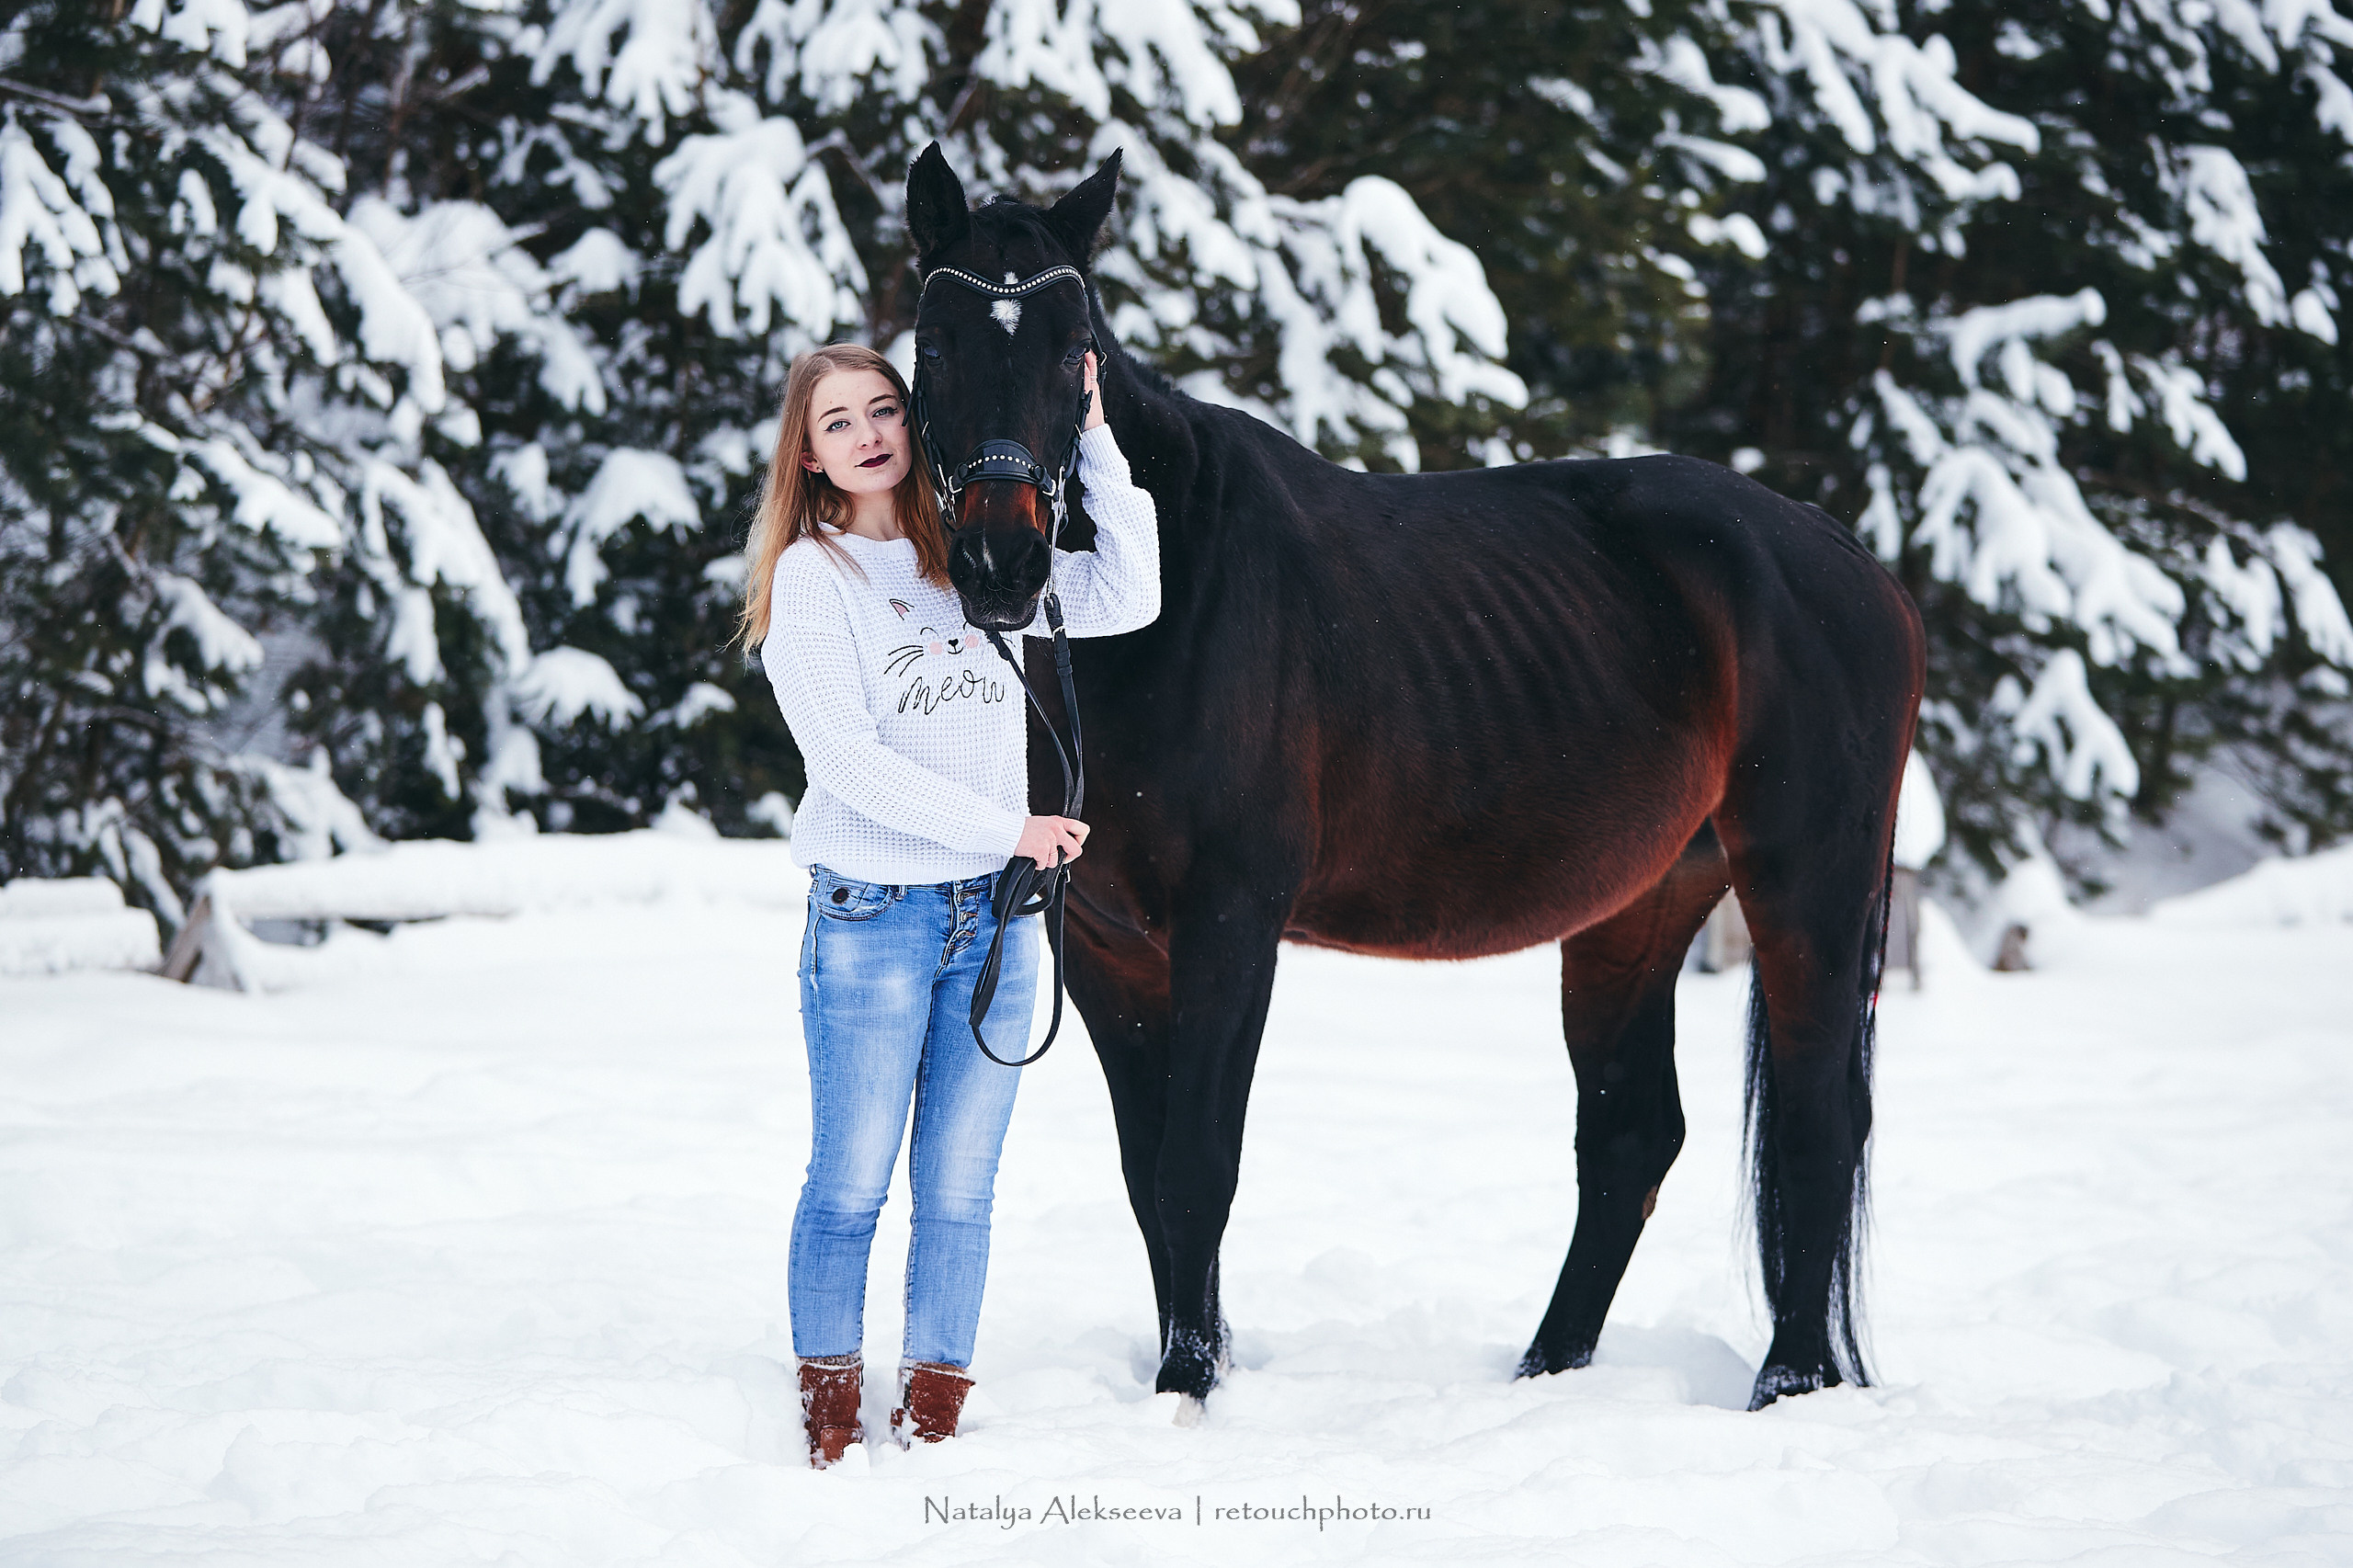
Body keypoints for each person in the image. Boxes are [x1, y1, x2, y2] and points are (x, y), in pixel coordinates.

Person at [738, 342, 1159, 1468]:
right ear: (809, 453)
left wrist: (1096, 432)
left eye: (883, 409)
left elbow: (1131, 590)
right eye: (838, 421)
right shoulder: (812, 581)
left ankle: (934, 1410)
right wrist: (1010, 828)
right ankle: (829, 1405)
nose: (868, 433)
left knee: (960, 1190)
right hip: (875, 917)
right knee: (852, 1180)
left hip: (996, 919)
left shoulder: (971, 565)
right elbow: (851, 764)